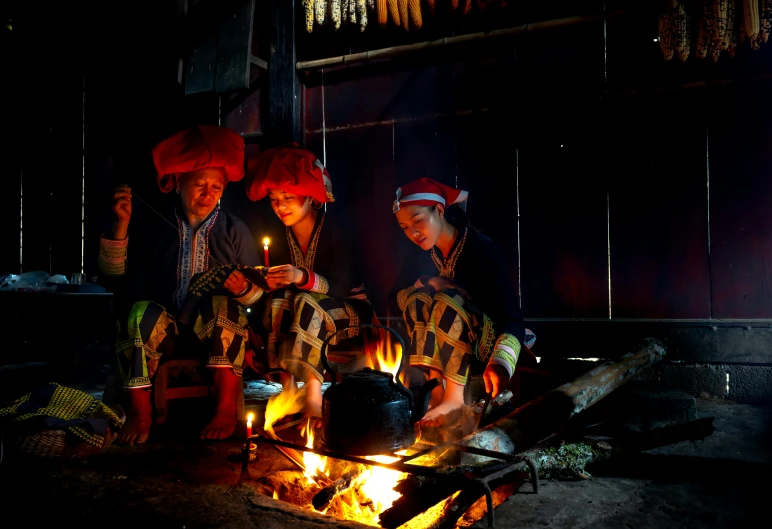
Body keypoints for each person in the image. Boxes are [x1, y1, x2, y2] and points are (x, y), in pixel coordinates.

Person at [98, 125, 264, 445]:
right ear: (178, 183)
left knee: (226, 307)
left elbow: (257, 296)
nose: (208, 194)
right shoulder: (151, 225)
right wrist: (121, 225)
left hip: (212, 333)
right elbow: (113, 276)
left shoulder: (235, 230)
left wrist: (242, 288)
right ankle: (141, 411)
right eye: (199, 184)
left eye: (216, 186)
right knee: (138, 313)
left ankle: (226, 409)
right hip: (164, 332)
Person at [244, 143, 375, 421]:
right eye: (274, 199)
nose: (280, 206)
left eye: (288, 197)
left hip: (349, 311)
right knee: (279, 300)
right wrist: (268, 279)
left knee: (305, 300)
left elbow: (341, 285)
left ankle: (313, 396)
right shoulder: (279, 234)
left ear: (310, 198)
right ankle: (288, 387)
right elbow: (278, 290)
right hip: (299, 311)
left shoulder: (336, 229)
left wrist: (300, 276)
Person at [390, 177, 528, 427]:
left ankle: (454, 399)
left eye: (418, 221)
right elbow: (394, 300)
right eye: (404, 228)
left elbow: (512, 317)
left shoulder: (482, 250)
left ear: (439, 211)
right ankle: (437, 391)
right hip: (438, 357)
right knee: (418, 297)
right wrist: (429, 281)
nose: (413, 233)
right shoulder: (421, 254)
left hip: (482, 348)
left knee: (447, 299)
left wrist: (501, 362)